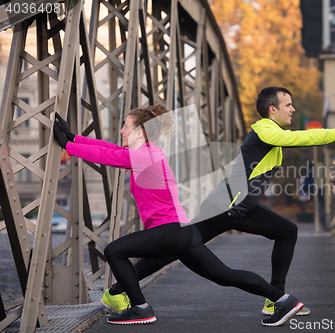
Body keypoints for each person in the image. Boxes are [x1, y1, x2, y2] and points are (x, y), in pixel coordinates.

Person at [101, 87, 335, 317]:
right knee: (178, 250)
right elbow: (303, 138)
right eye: (288, 105)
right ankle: (118, 291)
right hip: (225, 206)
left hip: (239, 207)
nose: (293, 109)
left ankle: (276, 300)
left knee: (287, 231)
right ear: (272, 110)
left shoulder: (272, 132)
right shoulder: (264, 129)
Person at [52, 106, 304, 326]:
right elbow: (110, 149)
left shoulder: (145, 155)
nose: (121, 131)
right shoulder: (148, 153)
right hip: (184, 232)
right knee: (224, 275)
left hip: (169, 231)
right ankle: (282, 299)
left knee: (114, 251)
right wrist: (75, 138)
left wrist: (69, 147)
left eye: (125, 127)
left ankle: (140, 308)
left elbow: (109, 156)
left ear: (140, 131)